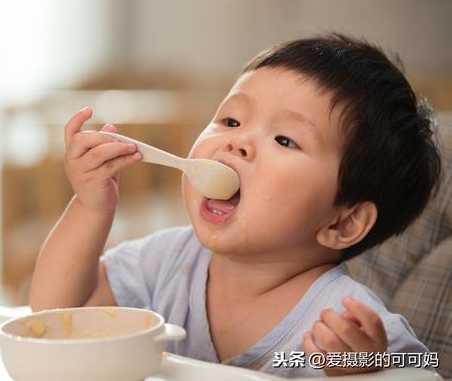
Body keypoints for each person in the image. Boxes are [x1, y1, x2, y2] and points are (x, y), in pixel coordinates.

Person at [29, 34, 441, 377]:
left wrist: (369, 372)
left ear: (344, 222)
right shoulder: (166, 263)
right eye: (231, 121)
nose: (236, 141)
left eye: (284, 140)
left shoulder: (343, 324)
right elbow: (57, 314)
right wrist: (90, 206)